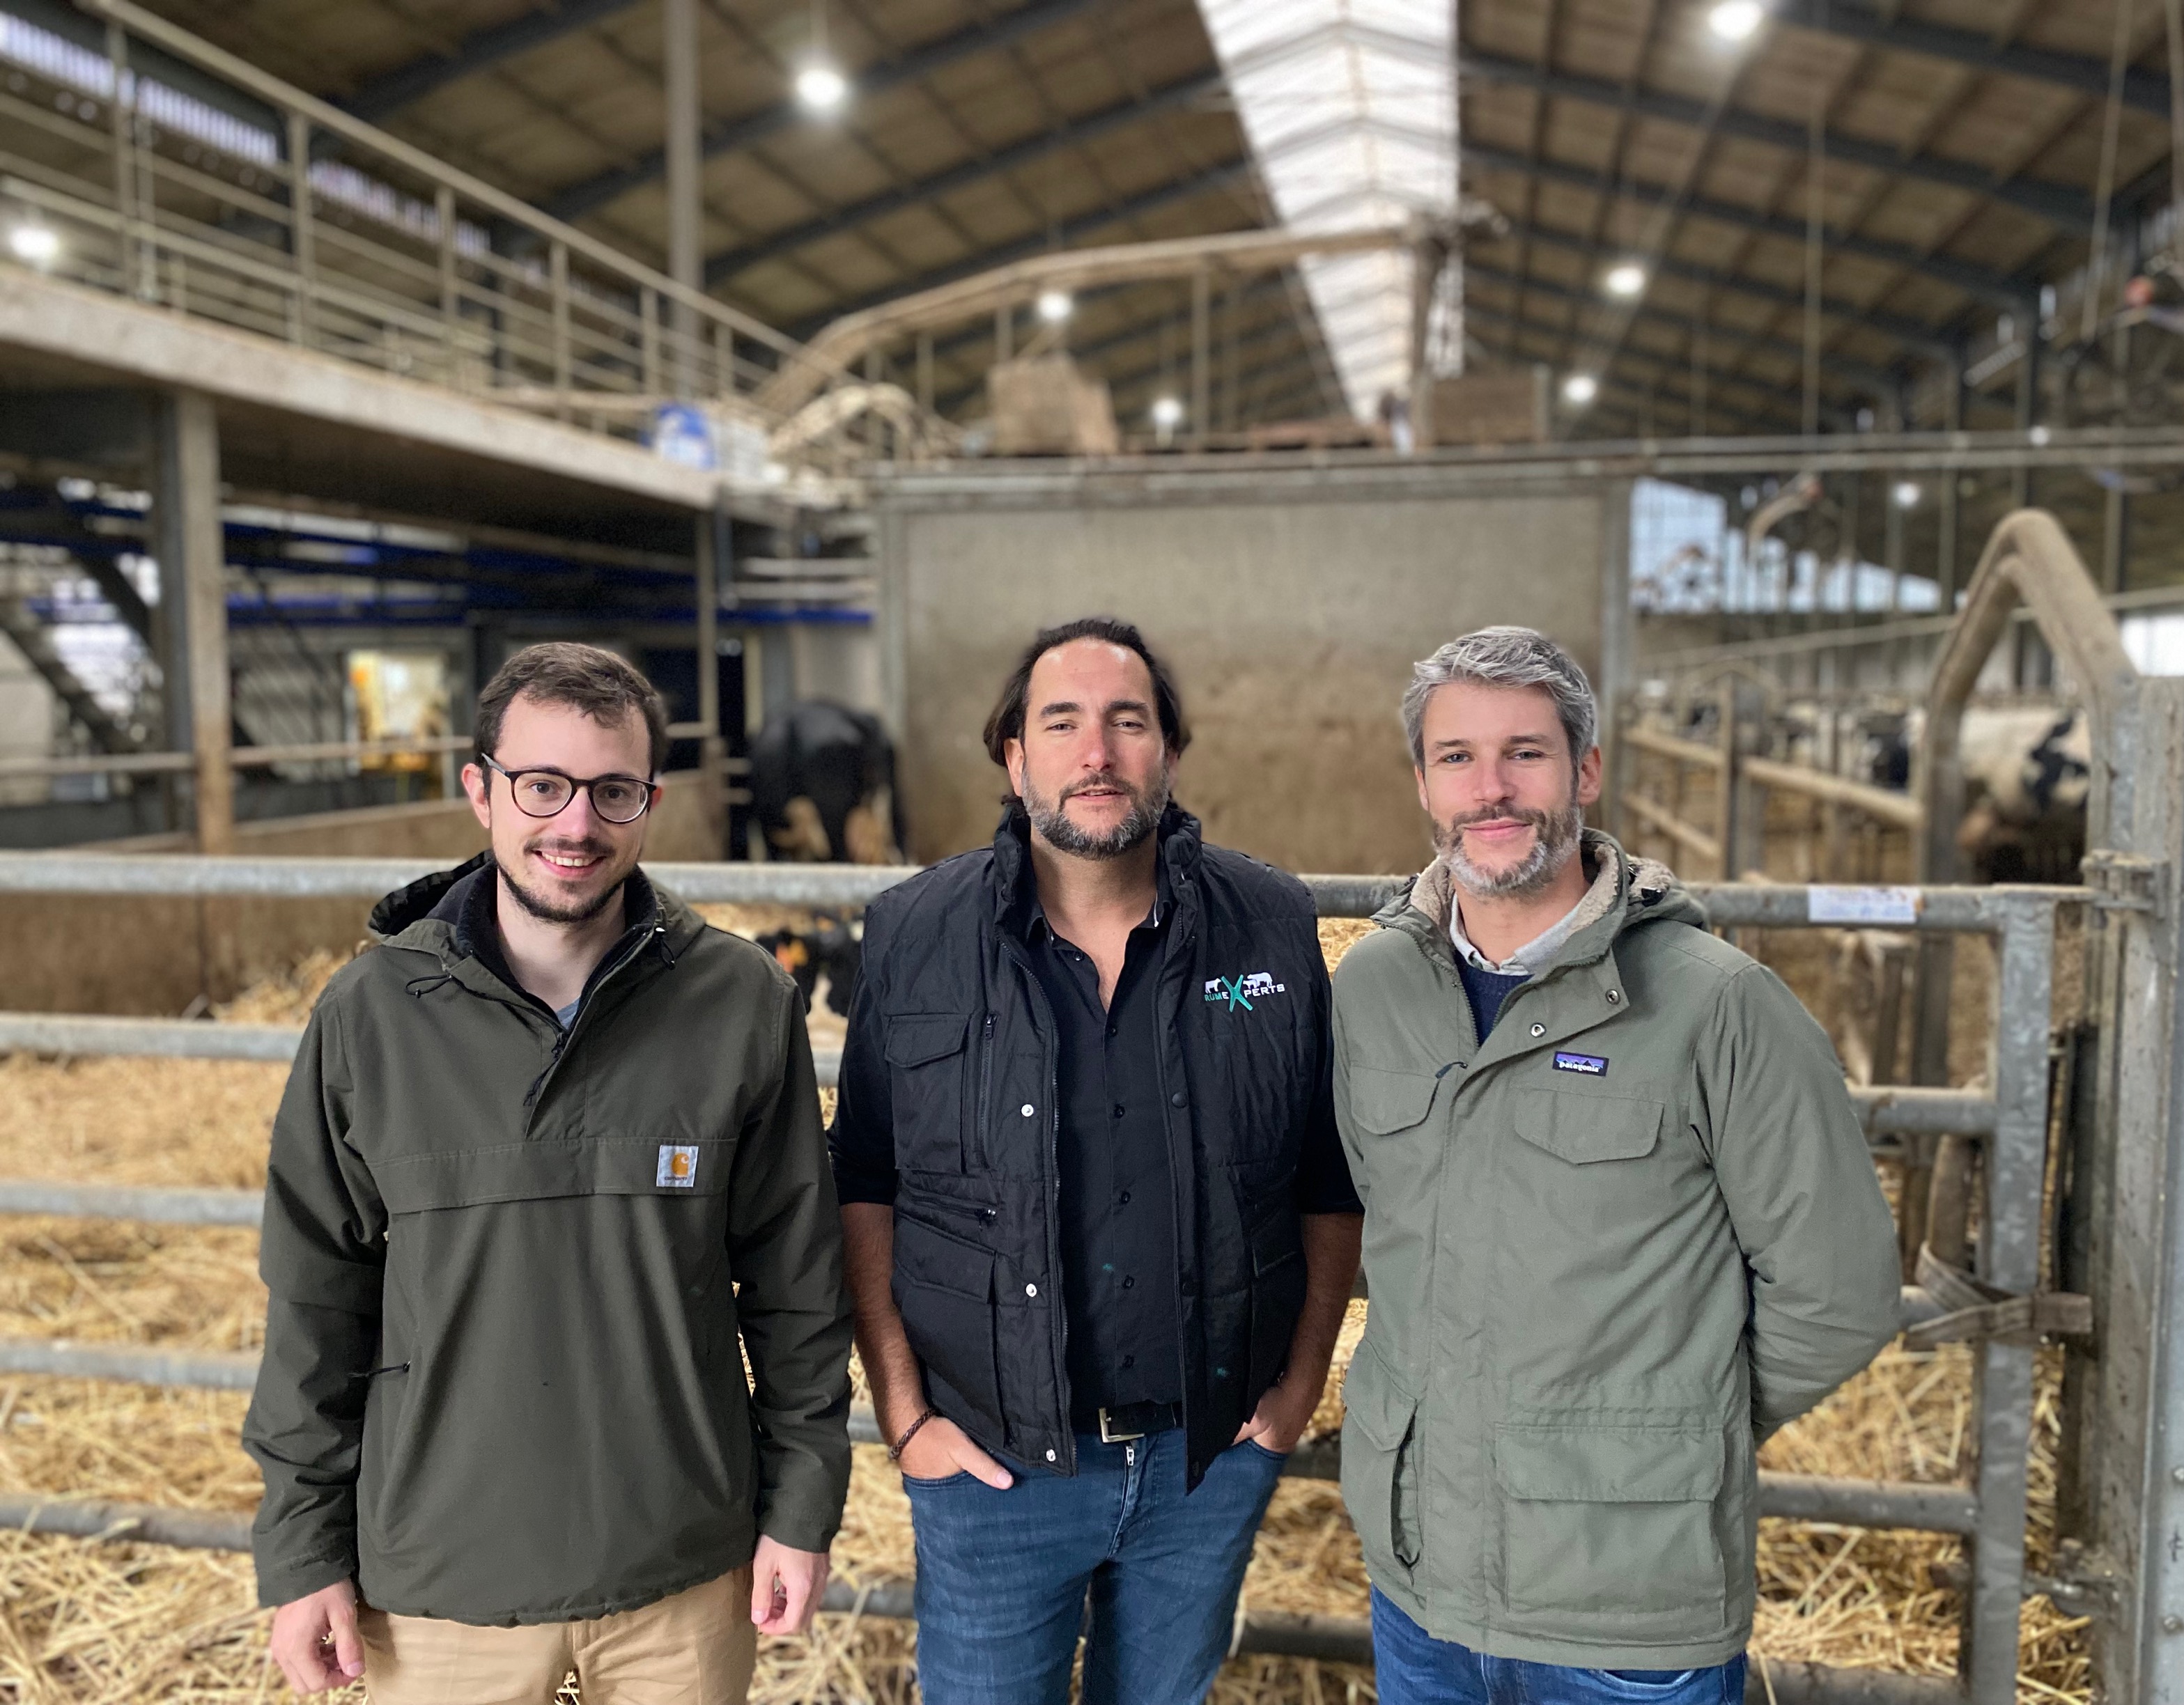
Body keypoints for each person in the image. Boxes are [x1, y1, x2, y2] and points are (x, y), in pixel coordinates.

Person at [245, 641, 853, 1703]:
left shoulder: (740, 1002)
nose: (576, 824)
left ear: (652, 803)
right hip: (439, 1590)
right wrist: (302, 1555)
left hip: (683, 1577)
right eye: (542, 785)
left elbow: (796, 1286)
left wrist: (801, 1511)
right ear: (480, 791)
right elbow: (314, 1302)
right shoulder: (369, 1019)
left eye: (613, 791)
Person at [1331, 626, 1900, 1704]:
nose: (1491, 789)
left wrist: (1661, 1440)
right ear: (1422, 785)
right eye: (1457, 757)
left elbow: (1842, 1295)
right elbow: (1382, 1225)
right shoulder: (1373, 990)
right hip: (1420, 1594)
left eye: (1526, 753)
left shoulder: (1718, 1005)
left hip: (1626, 1619)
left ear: (1586, 771)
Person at [830, 616, 1363, 1704]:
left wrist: (1299, 1386)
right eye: (1062, 722)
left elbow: (1324, 1172)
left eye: (1129, 721)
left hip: (1207, 1461)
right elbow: (867, 1182)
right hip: (990, 1465)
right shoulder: (913, 934)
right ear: (1014, 757)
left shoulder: (1269, 925)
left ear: (1169, 750)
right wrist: (903, 1412)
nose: (1097, 752)